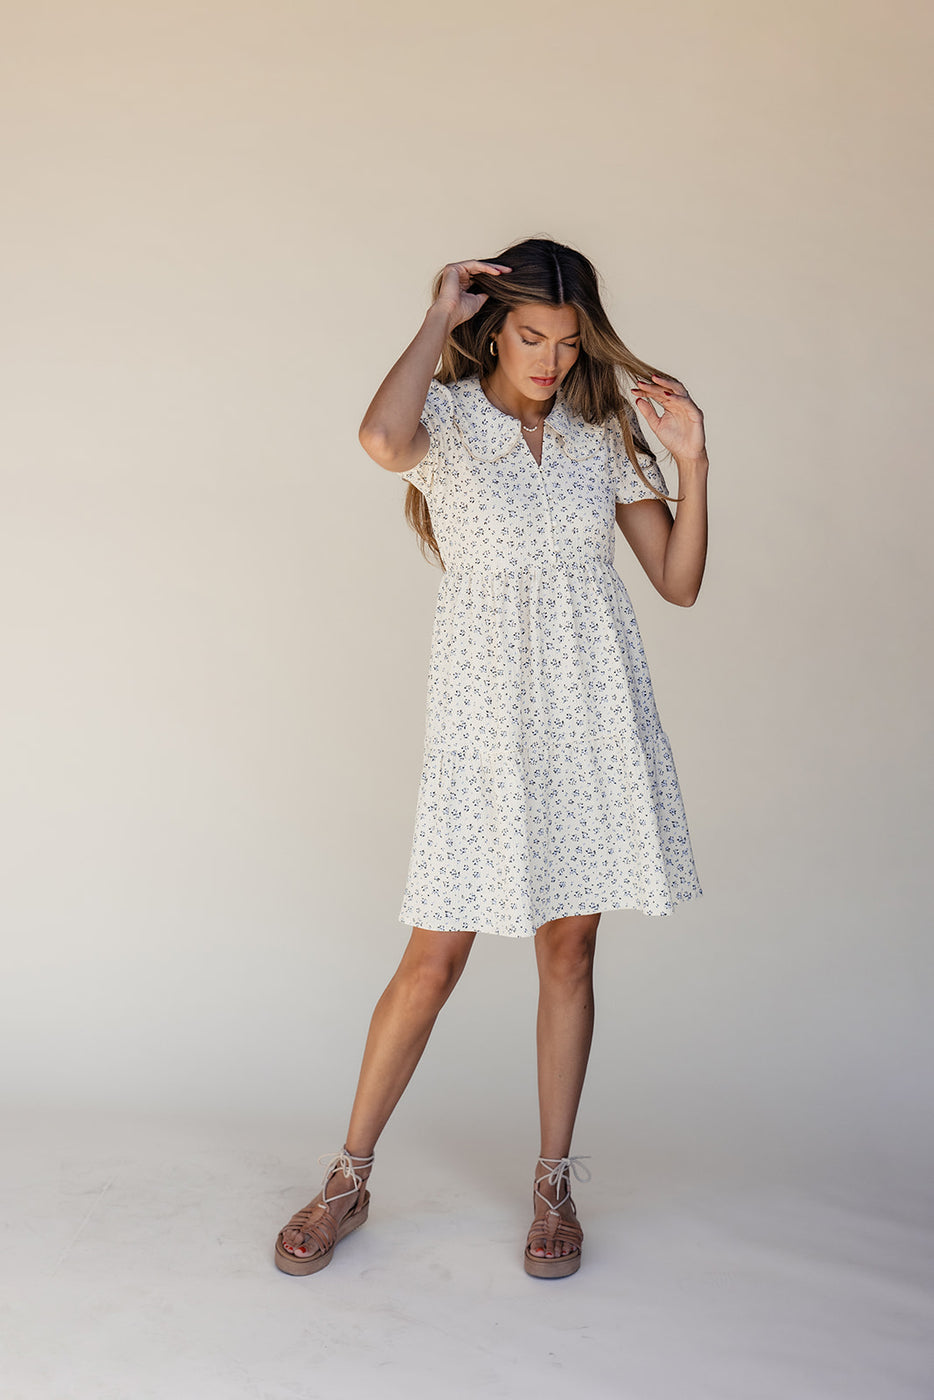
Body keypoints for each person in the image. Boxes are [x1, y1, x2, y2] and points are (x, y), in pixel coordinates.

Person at [274, 236, 709, 1280]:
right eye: (530, 337)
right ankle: (348, 1177)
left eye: (567, 341)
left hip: (593, 714)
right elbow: (379, 438)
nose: (551, 360)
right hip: (485, 724)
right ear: (493, 330)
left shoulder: (603, 434)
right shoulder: (450, 419)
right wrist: (437, 315)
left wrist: (694, 462)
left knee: (570, 954)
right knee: (433, 959)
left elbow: (679, 581)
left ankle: (554, 1183)